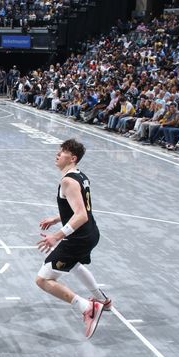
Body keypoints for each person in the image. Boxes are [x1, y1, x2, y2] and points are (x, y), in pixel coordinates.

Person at [36, 139, 110, 339]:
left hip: (80, 237)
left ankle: (88, 308)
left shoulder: (67, 181)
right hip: (91, 233)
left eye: (62, 152)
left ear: (73, 158)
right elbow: (79, 208)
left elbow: (81, 215)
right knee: (74, 265)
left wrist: (56, 236)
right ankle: (102, 300)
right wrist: (57, 217)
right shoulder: (81, 176)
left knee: (43, 279)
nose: (57, 154)